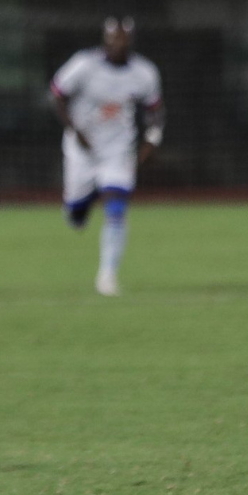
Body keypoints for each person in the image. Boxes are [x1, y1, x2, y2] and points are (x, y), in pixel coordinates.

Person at [49, 16, 164, 297]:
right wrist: (74, 130)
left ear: (131, 41)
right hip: (83, 150)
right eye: (113, 39)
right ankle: (80, 205)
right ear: (105, 40)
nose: (117, 45)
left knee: (116, 205)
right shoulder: (84, 65)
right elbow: (57, 94)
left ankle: (107, 275)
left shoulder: (144, 73)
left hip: (118, 150)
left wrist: (151, 141)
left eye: (123, 40)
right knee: (75, 216)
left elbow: (155, 113)